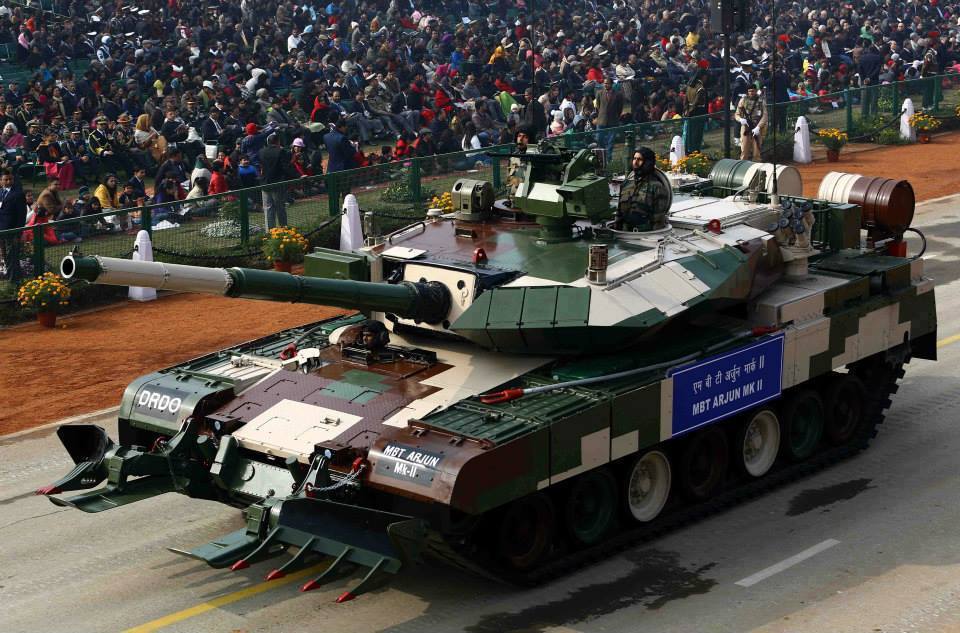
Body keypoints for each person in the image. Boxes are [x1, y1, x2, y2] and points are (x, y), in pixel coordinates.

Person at [616, 147, 669, 233]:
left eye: (639, 159)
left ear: (648, 162)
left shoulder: (656, 187)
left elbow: (658, 220)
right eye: (634, 158)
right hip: (624, 233)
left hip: (645, 235)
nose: (635, 162)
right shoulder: (626, 184)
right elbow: (619, 214)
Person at [258, 133, 294, 229]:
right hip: (277, 183)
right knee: (280, 207)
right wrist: (298, 176)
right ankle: (284, 229)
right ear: (278, 141)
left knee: (268, 208)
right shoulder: (280, 151)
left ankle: (270, 231)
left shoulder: (261, 151)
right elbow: (285, 167)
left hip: (265, 183)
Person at [0, 169, 27, 281]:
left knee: (12, 255)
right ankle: (14, 276)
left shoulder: (18, 194)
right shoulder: (1, 192)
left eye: (10, 179)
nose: (8, 181)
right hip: (1, 230)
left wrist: (18, 233)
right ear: (1, 181)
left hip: (12, 230)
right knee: (5, 255)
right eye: (5, 179)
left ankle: (13, 280)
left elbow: (21, 215)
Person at [735, 85, 768, 161]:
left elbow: (765, 116)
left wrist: (758, 127)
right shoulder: (743, 100)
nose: (751, 93)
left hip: (756, 126)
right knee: (744, 150)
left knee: (757, 152)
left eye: (752, 91)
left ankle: (757, 166)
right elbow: (737, 114)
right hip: (746, 127)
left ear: (756, 91)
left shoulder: (761, 100)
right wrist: (740, 119)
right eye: (749, 91)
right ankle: (743, 166)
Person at [595, 78, 623, 159]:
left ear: (611, 84)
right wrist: (601, 114)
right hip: (601, 120)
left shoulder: (618, 94)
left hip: (613, 121)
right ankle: (603, 155)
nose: (605, 85)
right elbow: (598, 106)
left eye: (607, 83)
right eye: (604, 83)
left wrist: (615, 116)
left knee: (611, 141)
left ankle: (608, 158)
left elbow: (620, 108)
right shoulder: (599, 93)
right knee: (599, 138)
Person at [683, 69, 708, 153]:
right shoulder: (700, 88)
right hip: (698, 112)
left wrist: (686, 111)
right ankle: (695, 152)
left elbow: (685, 100)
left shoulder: (689, 86)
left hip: (689, 112)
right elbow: (696, 102)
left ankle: (688, 150)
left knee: (689, 133)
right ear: (703, 76)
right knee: (697, 134)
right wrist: (690, 111)